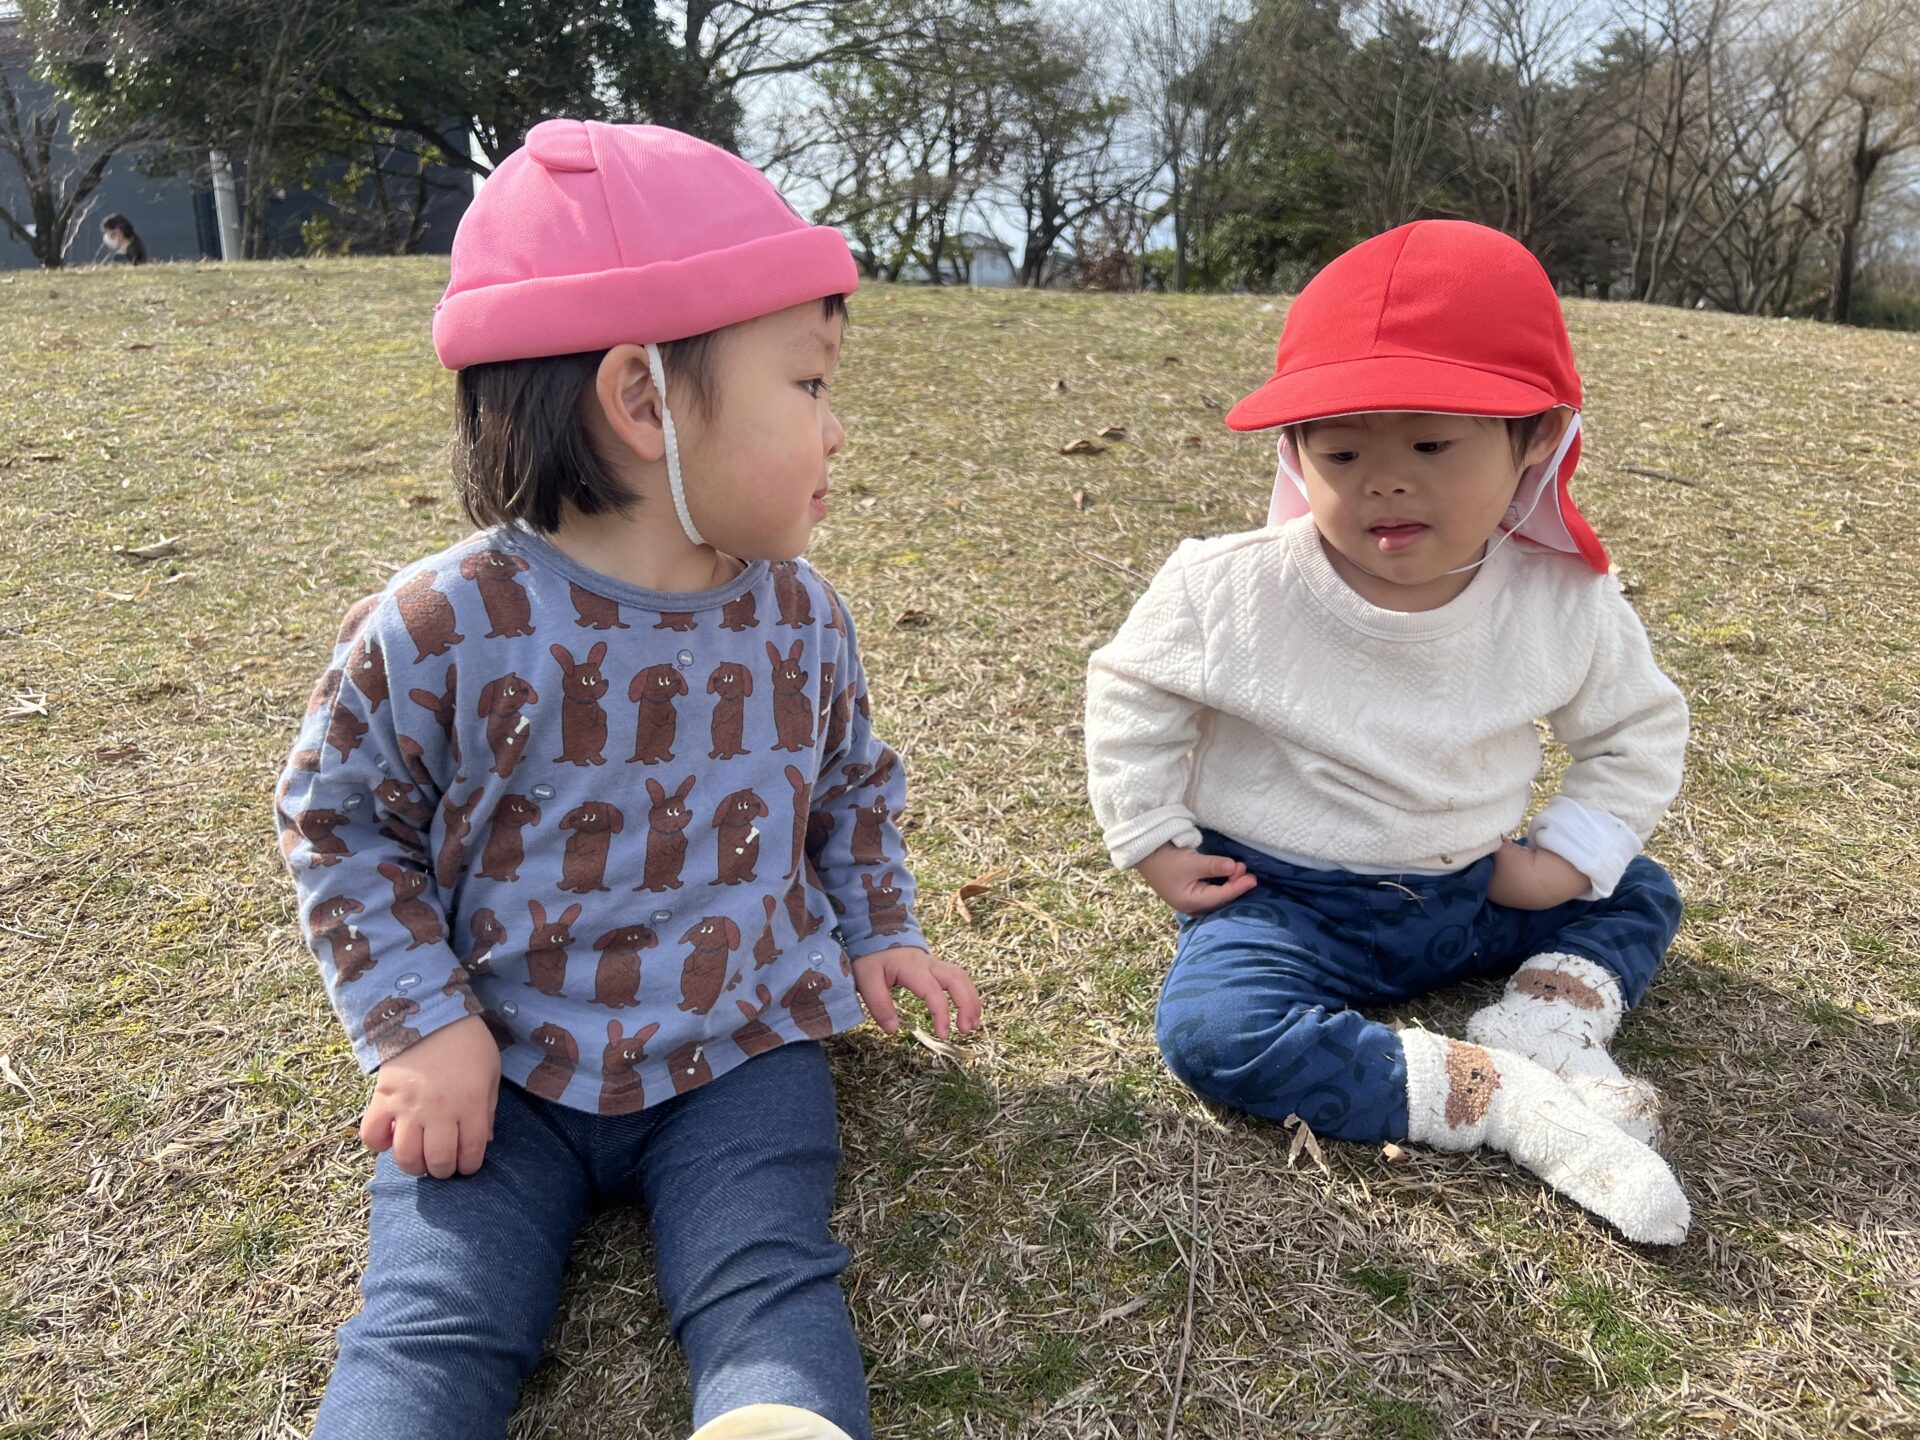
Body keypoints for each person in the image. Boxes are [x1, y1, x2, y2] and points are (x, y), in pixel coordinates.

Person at [273, 119, 981, 1440]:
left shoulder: (801, 617)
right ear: (644, 401)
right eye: (809, 384)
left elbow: (848, 785)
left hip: (742, 1051)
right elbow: (340, 820)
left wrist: (879, 928)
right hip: (501, 1066)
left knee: (769, 1282)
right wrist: (422, 1028)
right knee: (431, 1321)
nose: (838, 431)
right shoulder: (445, 626)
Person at [1084, 220, 1692, 1245]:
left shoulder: (1564, 600)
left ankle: (1549, 1019)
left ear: (1536, 437)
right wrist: (1150, 837)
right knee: (1213, 1032)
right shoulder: (1227, 587)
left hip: (1472, 892)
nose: (1385, 480)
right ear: (1295, 449)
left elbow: (1637, 730)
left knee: (1637, 887)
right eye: (1343, 450)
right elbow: (1131, 693)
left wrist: (1558, 859)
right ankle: (1493, 1095)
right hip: (1284, 904)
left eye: (1431, 444)